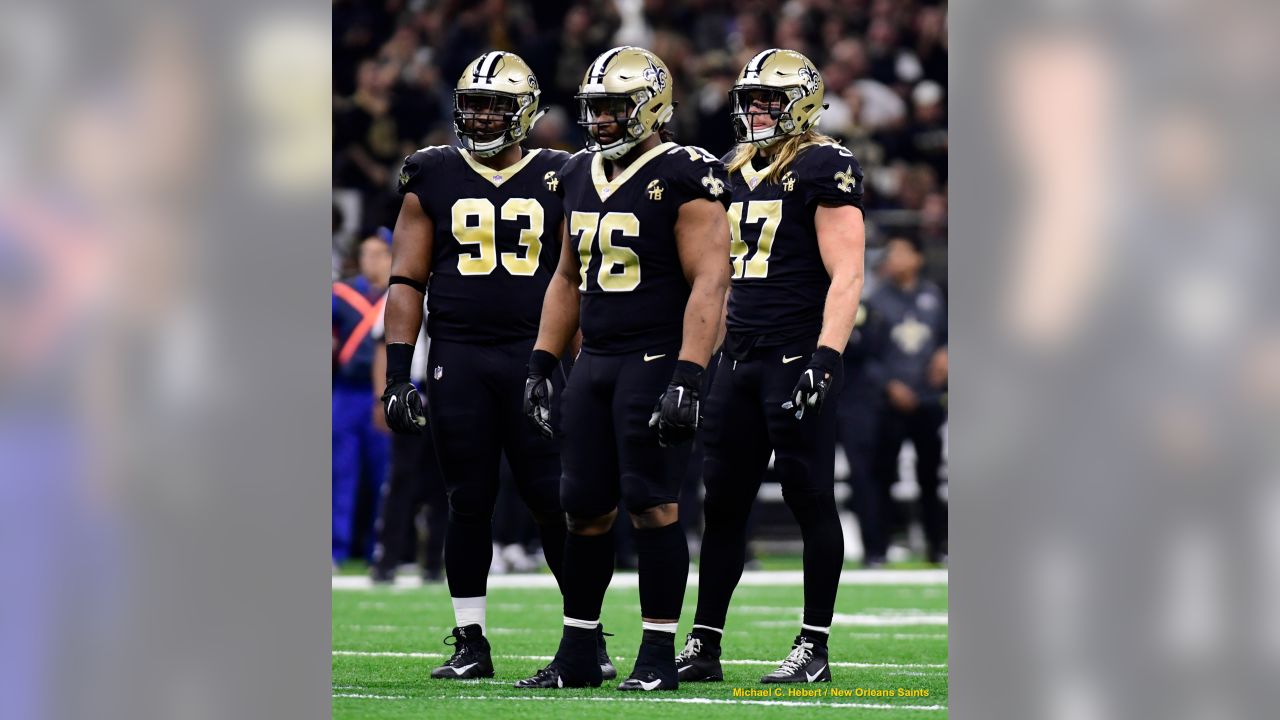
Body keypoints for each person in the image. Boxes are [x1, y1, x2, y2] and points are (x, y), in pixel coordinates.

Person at [379, 51, 616, 681]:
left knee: (553, 499)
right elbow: (405, 280)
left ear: (527, 110)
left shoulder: (565, 173)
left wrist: (592, 368)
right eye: (473, 104)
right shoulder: (430, 172)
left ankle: (584, 638)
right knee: (467, 501)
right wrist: (397, 374)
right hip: (458, 356)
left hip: (533, 356)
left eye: (496, 105)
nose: (481, 117)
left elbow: (582, 278)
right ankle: (470, 639)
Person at [516, 46, 731, 691]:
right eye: (596, 107)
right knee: (580, 505)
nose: (602, 119)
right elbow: (564, 274)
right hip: (598, 358)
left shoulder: (686, 172)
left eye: (616, 107)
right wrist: (542, 358)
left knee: (652, 503)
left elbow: (710, 281)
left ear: (653, 106)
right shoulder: (579, 172)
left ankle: (659, 654)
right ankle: (580, 651)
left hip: (657, 355)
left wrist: (691, 374)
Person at [674, 49, 867, 685]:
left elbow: (847, 273)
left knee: (810, 496)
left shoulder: (823, 164)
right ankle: (704, 645)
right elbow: (717, 281)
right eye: (750, 98)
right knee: (722, 504)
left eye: (769, 99)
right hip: (740, 356)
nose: (756, 109)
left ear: (803, 103)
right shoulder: (733, 169)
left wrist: (827, 357)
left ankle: (813, 645)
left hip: (794, 354)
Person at [868, 235, 948, 563]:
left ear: (917, 257)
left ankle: (937, 545)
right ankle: (880, 547)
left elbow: (946, 335)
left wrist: (947, 353)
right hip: (891, 401)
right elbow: (867, 352)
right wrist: (889, 384)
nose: (894, 258)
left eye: (901, 252)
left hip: (928, 398)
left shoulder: (933, 295)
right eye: (892, 253)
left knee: (931, 475)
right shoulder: (876, 300)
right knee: (883, 475)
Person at [332, 234, 393, 566]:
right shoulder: (342, 294)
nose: (372, 261)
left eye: (380, 254)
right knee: (340, 472)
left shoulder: (401, 293)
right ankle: (336, 549)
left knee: (383, 474)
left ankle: (376, 547)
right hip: (348, 390)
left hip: (387, 390)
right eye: (366, 254)